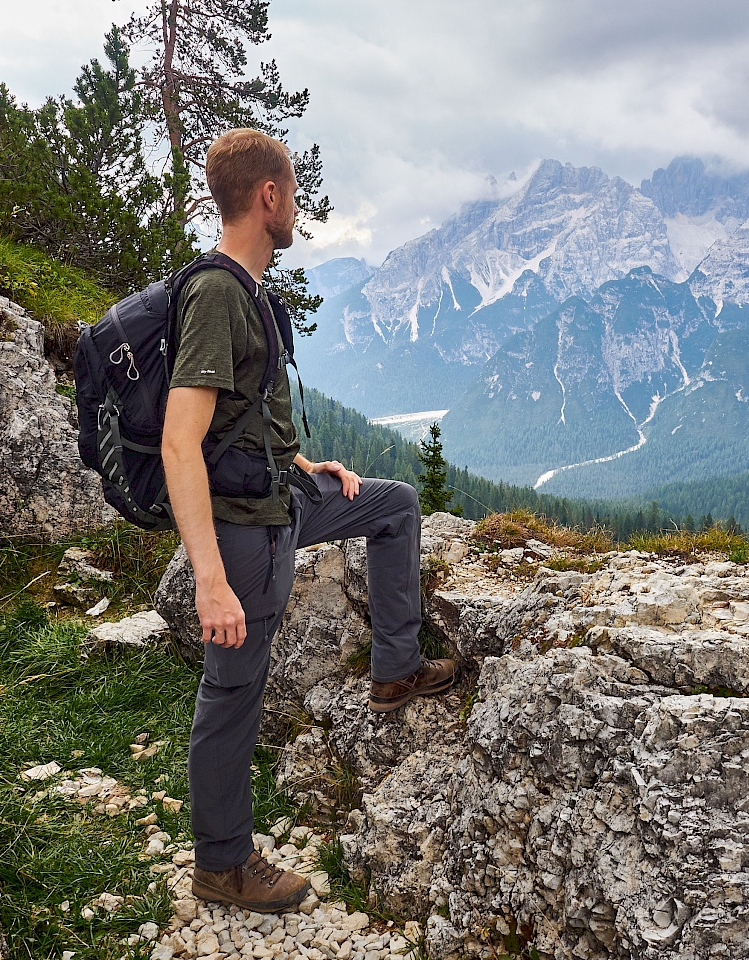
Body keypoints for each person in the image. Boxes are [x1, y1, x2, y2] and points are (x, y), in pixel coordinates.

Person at [161, 129, 457, 915]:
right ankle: (222, 863)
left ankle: (394, 668)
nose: (296, 208)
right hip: (243, 537)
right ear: (270, 196)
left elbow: (241, 420)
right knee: (234, 691)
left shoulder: (252, 291)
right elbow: (179, 439)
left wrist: (304, 467)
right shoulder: (219, 292)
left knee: (392, 505)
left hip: (281, 501)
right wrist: (211, 582)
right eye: (291, 193)